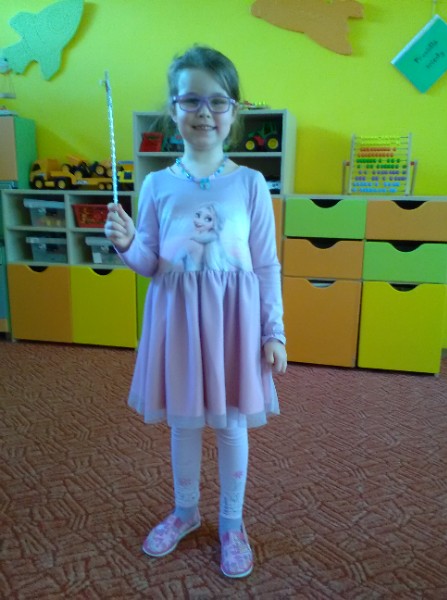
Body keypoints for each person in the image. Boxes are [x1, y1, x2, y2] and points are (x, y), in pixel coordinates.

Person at [104, 45, 287, 579]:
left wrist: (273, 331)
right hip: (178, 322)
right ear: (173, 107)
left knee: (231, 425)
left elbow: (266, 264)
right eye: (191, 100)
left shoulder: (250, 183)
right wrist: (126, 243)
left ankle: (232, 522)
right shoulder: (157, 184)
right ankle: (185, 512)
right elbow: (151, 263)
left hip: (233, 325)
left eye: (217, 101)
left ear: (234, 110)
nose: (204, 112)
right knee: (184, 424)